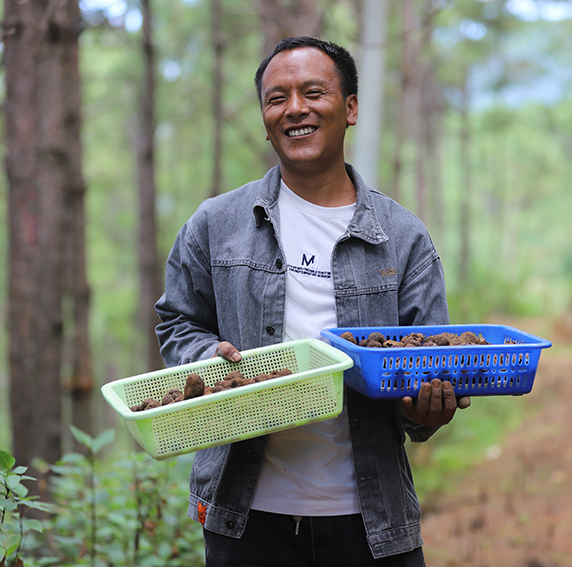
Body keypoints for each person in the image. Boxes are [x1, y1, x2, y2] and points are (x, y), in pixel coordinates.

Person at [155, 36, 469, 567]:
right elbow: (176, 323)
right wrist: (211, 367)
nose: (294, 109)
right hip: (246, 519)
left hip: (373, 523)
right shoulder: (216, 225)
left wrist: (429, 409)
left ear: (349, 109)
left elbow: (428, 363)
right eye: (276, 98)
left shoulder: (402, 235)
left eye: (312, 92)